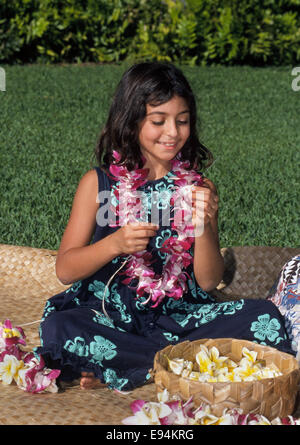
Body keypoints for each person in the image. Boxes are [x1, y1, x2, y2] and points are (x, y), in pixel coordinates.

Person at [35, 62, 293, 391]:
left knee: (263, 318)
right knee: (61, 326)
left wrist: (204, 224)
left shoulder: (199, 187)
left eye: (182, 121)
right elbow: (65, 270)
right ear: (132, 121)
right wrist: (113, 244)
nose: (172, 132)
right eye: (159, 121)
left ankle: (126, 365)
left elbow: (210, 279)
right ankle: (181, 363)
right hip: (110, 314)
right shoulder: (97, 184)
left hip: (181, 315)